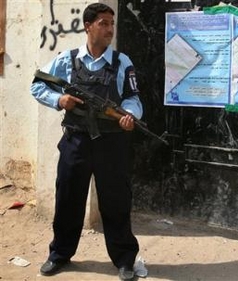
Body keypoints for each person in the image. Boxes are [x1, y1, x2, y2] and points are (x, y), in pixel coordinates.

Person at [30, 3, 143, 281]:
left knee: (116, 202)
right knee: (68, 199)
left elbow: (133, 98)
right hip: (75, 141)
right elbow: (37, 84)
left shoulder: (122, 62)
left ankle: (125, 260)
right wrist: (59, 100)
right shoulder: (67, 60)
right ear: (88, 26)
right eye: (103, 23)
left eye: (112, 23)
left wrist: (130, 115)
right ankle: (59, 254)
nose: (109, 29)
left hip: (112, 144)